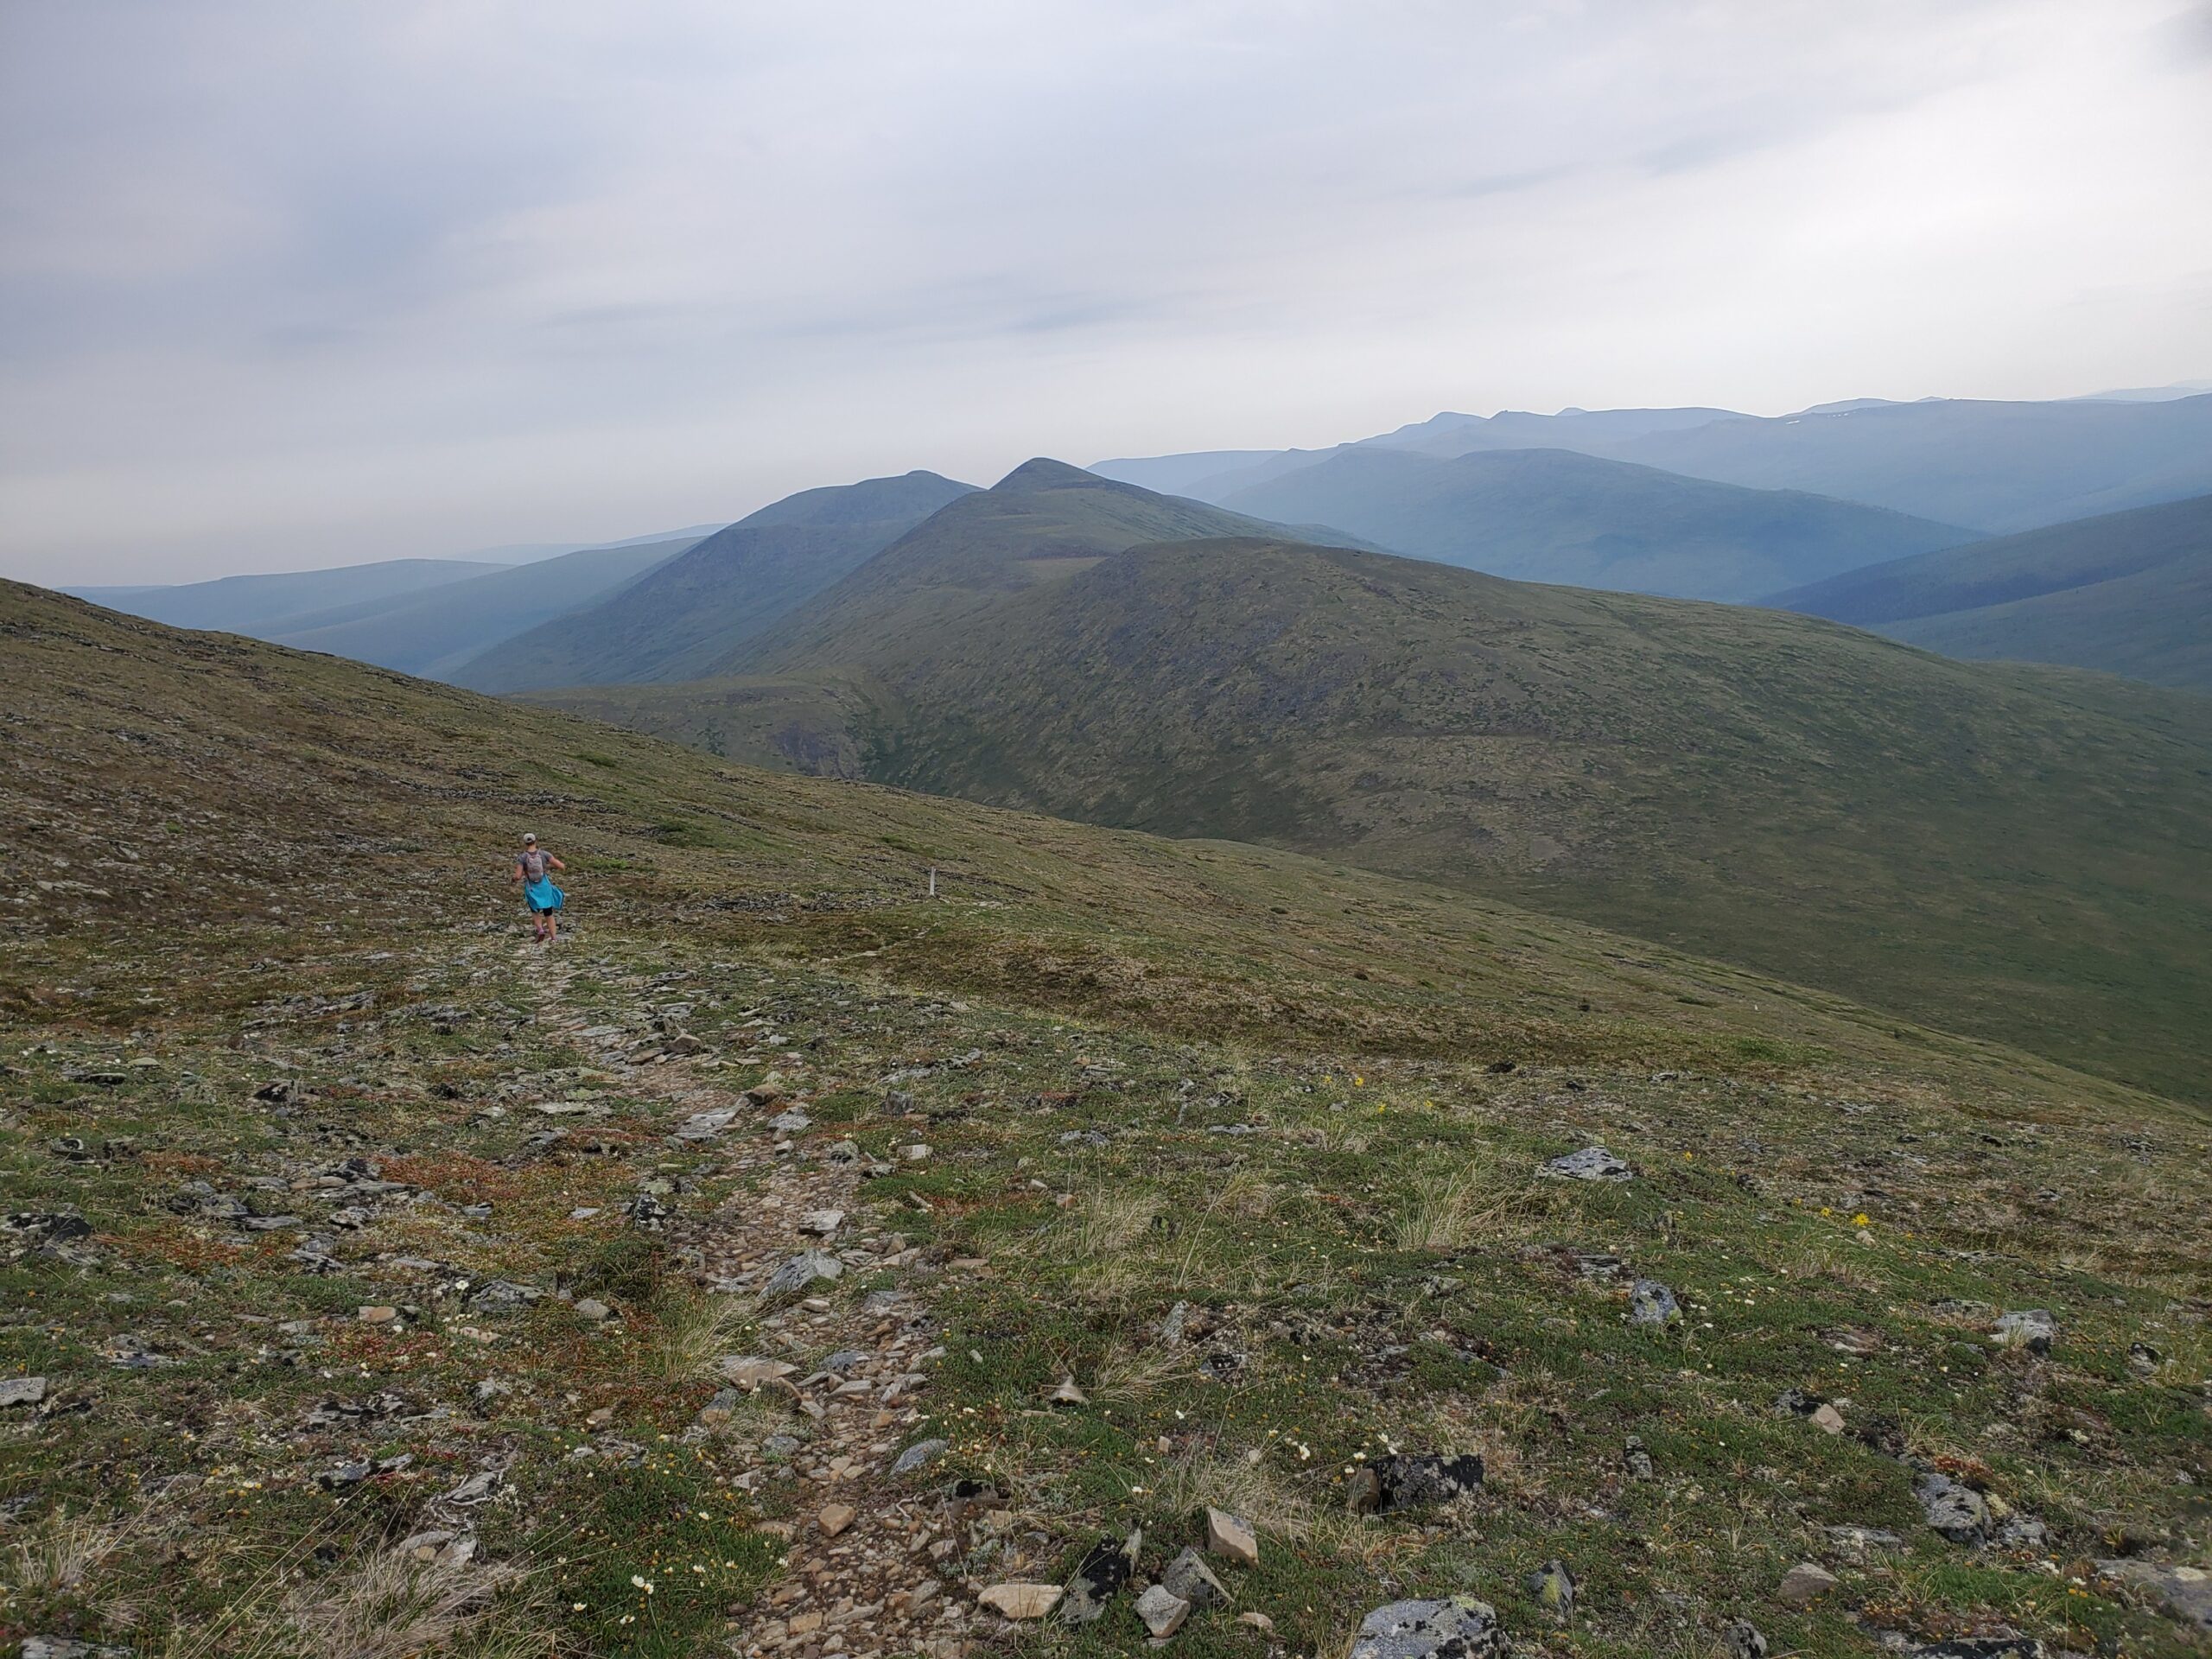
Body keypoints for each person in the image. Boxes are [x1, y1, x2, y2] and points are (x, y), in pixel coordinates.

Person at [512, 832, 568, 942]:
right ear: (535, 841)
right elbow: (561, 866)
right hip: (544, 886)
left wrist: (513, 879)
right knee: (548, 913)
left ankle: (540, 930)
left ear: (525, 843)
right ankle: (554, 938)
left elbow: (518, 876)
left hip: (531, 887)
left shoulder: (522, 857)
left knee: (535, 910)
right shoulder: (544, 854)